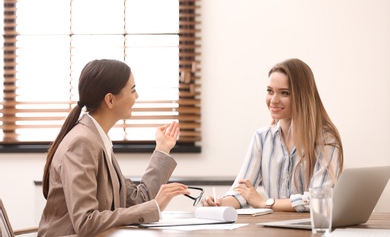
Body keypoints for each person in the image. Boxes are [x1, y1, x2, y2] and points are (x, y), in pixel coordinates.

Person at [38, 59, 190, 236]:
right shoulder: (83, 143)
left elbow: (136, 199)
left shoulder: (97, 138)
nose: (137, 96)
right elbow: (86, 222)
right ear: (110, 99)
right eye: (132, 90)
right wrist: (153, 208)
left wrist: (162, 149)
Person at [202, 58, 343, 212]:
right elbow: (242, 193)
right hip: (273, 228)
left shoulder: (326, 139)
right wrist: (219, 202)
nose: (273, 100)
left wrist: (266, 203)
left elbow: (320, 198)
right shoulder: (262, 138)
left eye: (284, 93)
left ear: (302, 96)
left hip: (310, 229)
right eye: (270, 91)